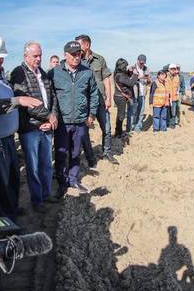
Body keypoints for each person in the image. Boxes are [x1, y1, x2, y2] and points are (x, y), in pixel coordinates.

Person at [0, 35, 43, 219]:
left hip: (8, 138)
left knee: (13, 178)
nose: (0, 62)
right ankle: (7, 219)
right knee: (2, 182)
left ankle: (12, 209)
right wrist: (19, 100)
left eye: (2, 58)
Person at [10, 41, 59, 213]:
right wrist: (49, 115)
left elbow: (52, 97)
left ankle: (46, 195)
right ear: (25, 56)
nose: (38, 59)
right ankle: (37, 200)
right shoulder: (18, 73)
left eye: (40, 55)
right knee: (33, 167)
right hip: (30, 129)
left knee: (46, 164)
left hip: (46, 127)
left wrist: (52, 118)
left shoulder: (43, 74)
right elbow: (24, 101)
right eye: (35, 56)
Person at [49, 41, 99, 196]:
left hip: (80, 121)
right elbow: (50, 96)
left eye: (79, 54)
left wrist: (91, 114)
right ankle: (62, 183)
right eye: (73, 54)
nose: (77, 57)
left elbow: (94, 94)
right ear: (65, 55)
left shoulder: (87, 72)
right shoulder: (54, 73)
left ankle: (73, 179)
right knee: (61, 152)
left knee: (76, 152)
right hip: (62, 122)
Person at [75, 34, 118, 165]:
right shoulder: (77, 60)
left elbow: (106, 79)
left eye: (79, 44)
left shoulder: (99, 59)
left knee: (107, 128)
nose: (76, 47)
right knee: (84, 132)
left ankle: (107, 152)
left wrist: (109, 99)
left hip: (100, 101)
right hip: (84, 103)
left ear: (87, 45)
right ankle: (89, 157)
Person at [113, 58, 138, 137]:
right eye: (126, 66)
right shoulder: (120, 75)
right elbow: (131, 83)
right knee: (121, 116)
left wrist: (130, 71)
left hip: (118, 97)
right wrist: (135, 74)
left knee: (119, 115)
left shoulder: (117, 73)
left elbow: (126, 78)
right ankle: (119, 133)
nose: (127, 67)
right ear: (123, 66)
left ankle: (118, 131)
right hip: (121, 98)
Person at [131, 54, 151, 132]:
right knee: (133, 110)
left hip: (143, 93)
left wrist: (147, 78)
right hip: (134, 93)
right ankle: (132, 125)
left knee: (141, 111)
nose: (142, 64)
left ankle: (138, 126)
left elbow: (149, 81)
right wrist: (137, 77)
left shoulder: (147, 69)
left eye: (143, 63)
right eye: (141, 62)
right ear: (137, 60)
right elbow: (129, 80)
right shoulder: (132, 68)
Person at [166, 63, 181, 129]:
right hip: (167, 97)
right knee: (167, 111)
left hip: (174, 97)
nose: (173, 70)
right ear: (169, 69)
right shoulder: (165, 76)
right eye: (172, 69)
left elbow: (178, 87)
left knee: (173, 111)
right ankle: (167, 123)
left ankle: (172, 124)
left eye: (174, 69)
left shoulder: (177, 77)